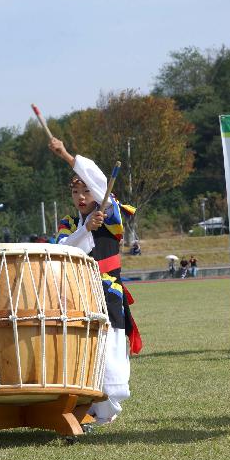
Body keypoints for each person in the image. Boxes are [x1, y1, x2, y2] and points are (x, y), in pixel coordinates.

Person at [49, 136, 141, 425]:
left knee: (110, 355)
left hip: (107, 293)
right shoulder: (69, 223)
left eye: (86, 190)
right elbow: (63, 250)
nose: (81, 197)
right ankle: (81, 406)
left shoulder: (111, 213)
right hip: (76, 295)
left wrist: (65, 155)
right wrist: (85, 229)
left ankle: (104, 409)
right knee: (79, 353)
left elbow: (100, 180)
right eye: (76, 192)